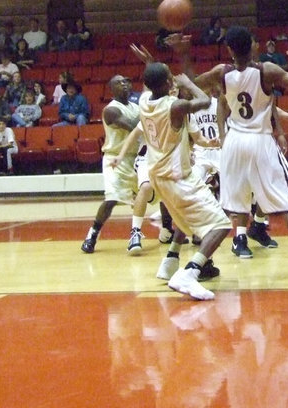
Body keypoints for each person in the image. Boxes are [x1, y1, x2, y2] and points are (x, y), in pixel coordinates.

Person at [193, 26, 288, 283]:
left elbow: (194, 84)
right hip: (259, 140)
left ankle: (200, 263)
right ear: (253, 45)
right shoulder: (267, 71)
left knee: (231, 206)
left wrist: (182, 53)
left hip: (234, 142)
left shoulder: (221, 72)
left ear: (229, 49)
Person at [133, 57, 232, 300]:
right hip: (177, 176)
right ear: (168, 83)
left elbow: (152, 81)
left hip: (158, 173)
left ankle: (170, 262)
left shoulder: (144, 100)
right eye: (170, 76)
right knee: (220, 224)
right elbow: (204, 100)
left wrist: (151, 65)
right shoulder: (174, 106)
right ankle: (190, 272)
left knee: (188, 223)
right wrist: (188, 81)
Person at [81, 75, 161, 257]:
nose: (124, 84)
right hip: (115, 158)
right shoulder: (111, 110)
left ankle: (167, 232)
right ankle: (92, 234)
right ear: (111, 88)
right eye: (119, 82)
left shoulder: (135, 106)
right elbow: (135, 126)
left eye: (126, 81)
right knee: (111, 199)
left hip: (138, 158)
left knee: (158, 195)